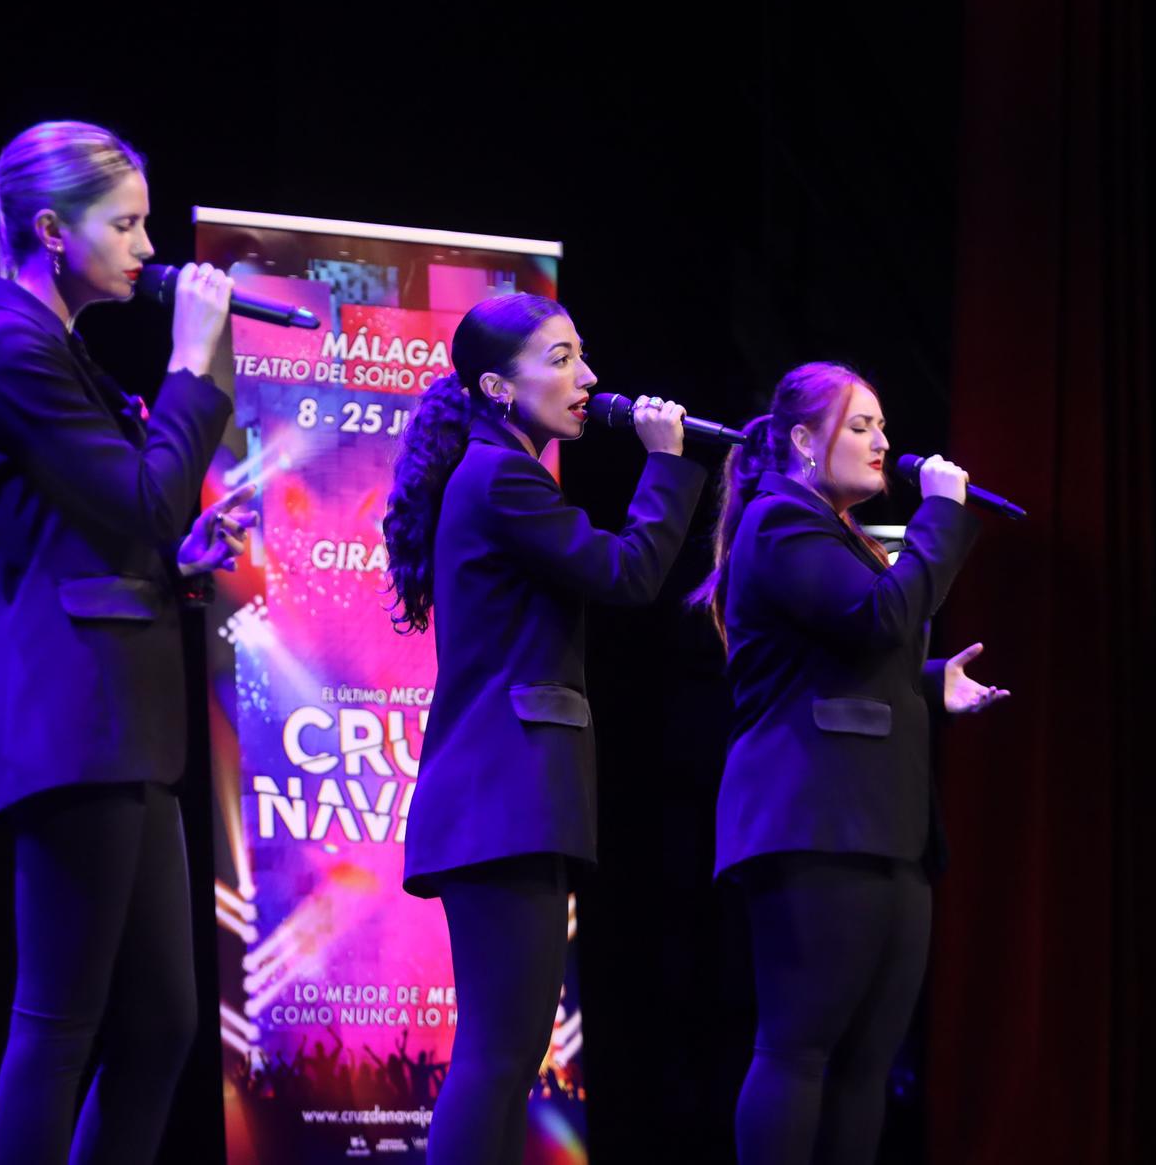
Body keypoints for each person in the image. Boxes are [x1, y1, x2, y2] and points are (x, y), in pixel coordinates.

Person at [0, 120, 254, 1162]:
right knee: (58, 1020)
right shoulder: (10, 345)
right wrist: (197, 364)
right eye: (125, 223)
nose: (147, 246)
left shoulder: (49, 343)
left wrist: (182, 553)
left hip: (121, 721)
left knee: (158, 1024)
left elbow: (116, 523)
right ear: (47, 231)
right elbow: (145, 497)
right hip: (76, 721)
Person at [382, 292, 706, 1164]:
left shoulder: (501, 471)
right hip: (499, 794)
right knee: (497, 1053)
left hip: (513, 795)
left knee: (508, 1052)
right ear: (495, 385)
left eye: (582, 354)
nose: (588, 378)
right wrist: (668, 464)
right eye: (560, 359)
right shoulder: (501, 476)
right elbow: (629, 572)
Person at [689, 361, 1008, 1164]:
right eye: (860, 425)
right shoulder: (780, 521)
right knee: (798, 1046)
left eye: (882, 426)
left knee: (868, 1061)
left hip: (884, 820)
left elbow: (855, 652)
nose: (882, 442)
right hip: (815, 818)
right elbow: (878, 619)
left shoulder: (839, 536)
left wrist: (935, 685)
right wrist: (940, 514)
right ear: (802, 439)